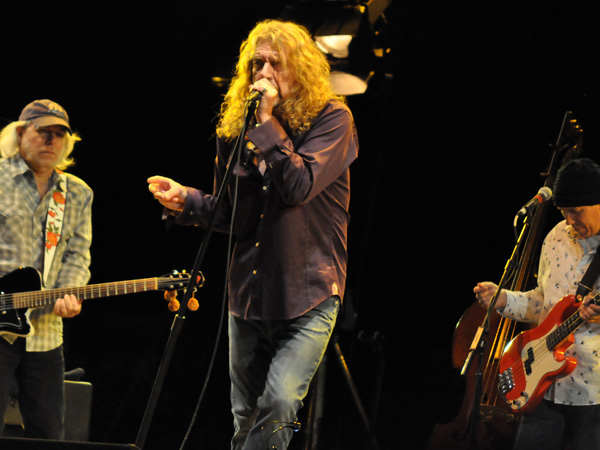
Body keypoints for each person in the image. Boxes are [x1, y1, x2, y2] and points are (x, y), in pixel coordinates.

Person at [148, 19, 359, 450]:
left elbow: (299, 186)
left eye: (275, 64)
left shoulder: (333, 119)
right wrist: (186, 201)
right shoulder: (236, 130)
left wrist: (266, 124)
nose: (263, 73)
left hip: (309, 293)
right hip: (247, 293)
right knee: (244, 418)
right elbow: (230, 213)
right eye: (256, 63)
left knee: (280, 403)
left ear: (299, 70)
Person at [474, 157, 600, 450]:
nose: (569, 220)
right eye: (563, 211)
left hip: (593, 391)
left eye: (576, 211)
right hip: (542, 388)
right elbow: (543, 303)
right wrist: (504, 298)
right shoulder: (556, 237)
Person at [0, 99, 93, 439]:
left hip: (46, 334)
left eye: (60, 134)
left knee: (49, 436)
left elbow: (77, 255)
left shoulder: (78, 193)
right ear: (22, 133)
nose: (52, 141)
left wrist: (70, 292)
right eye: (43, 132)